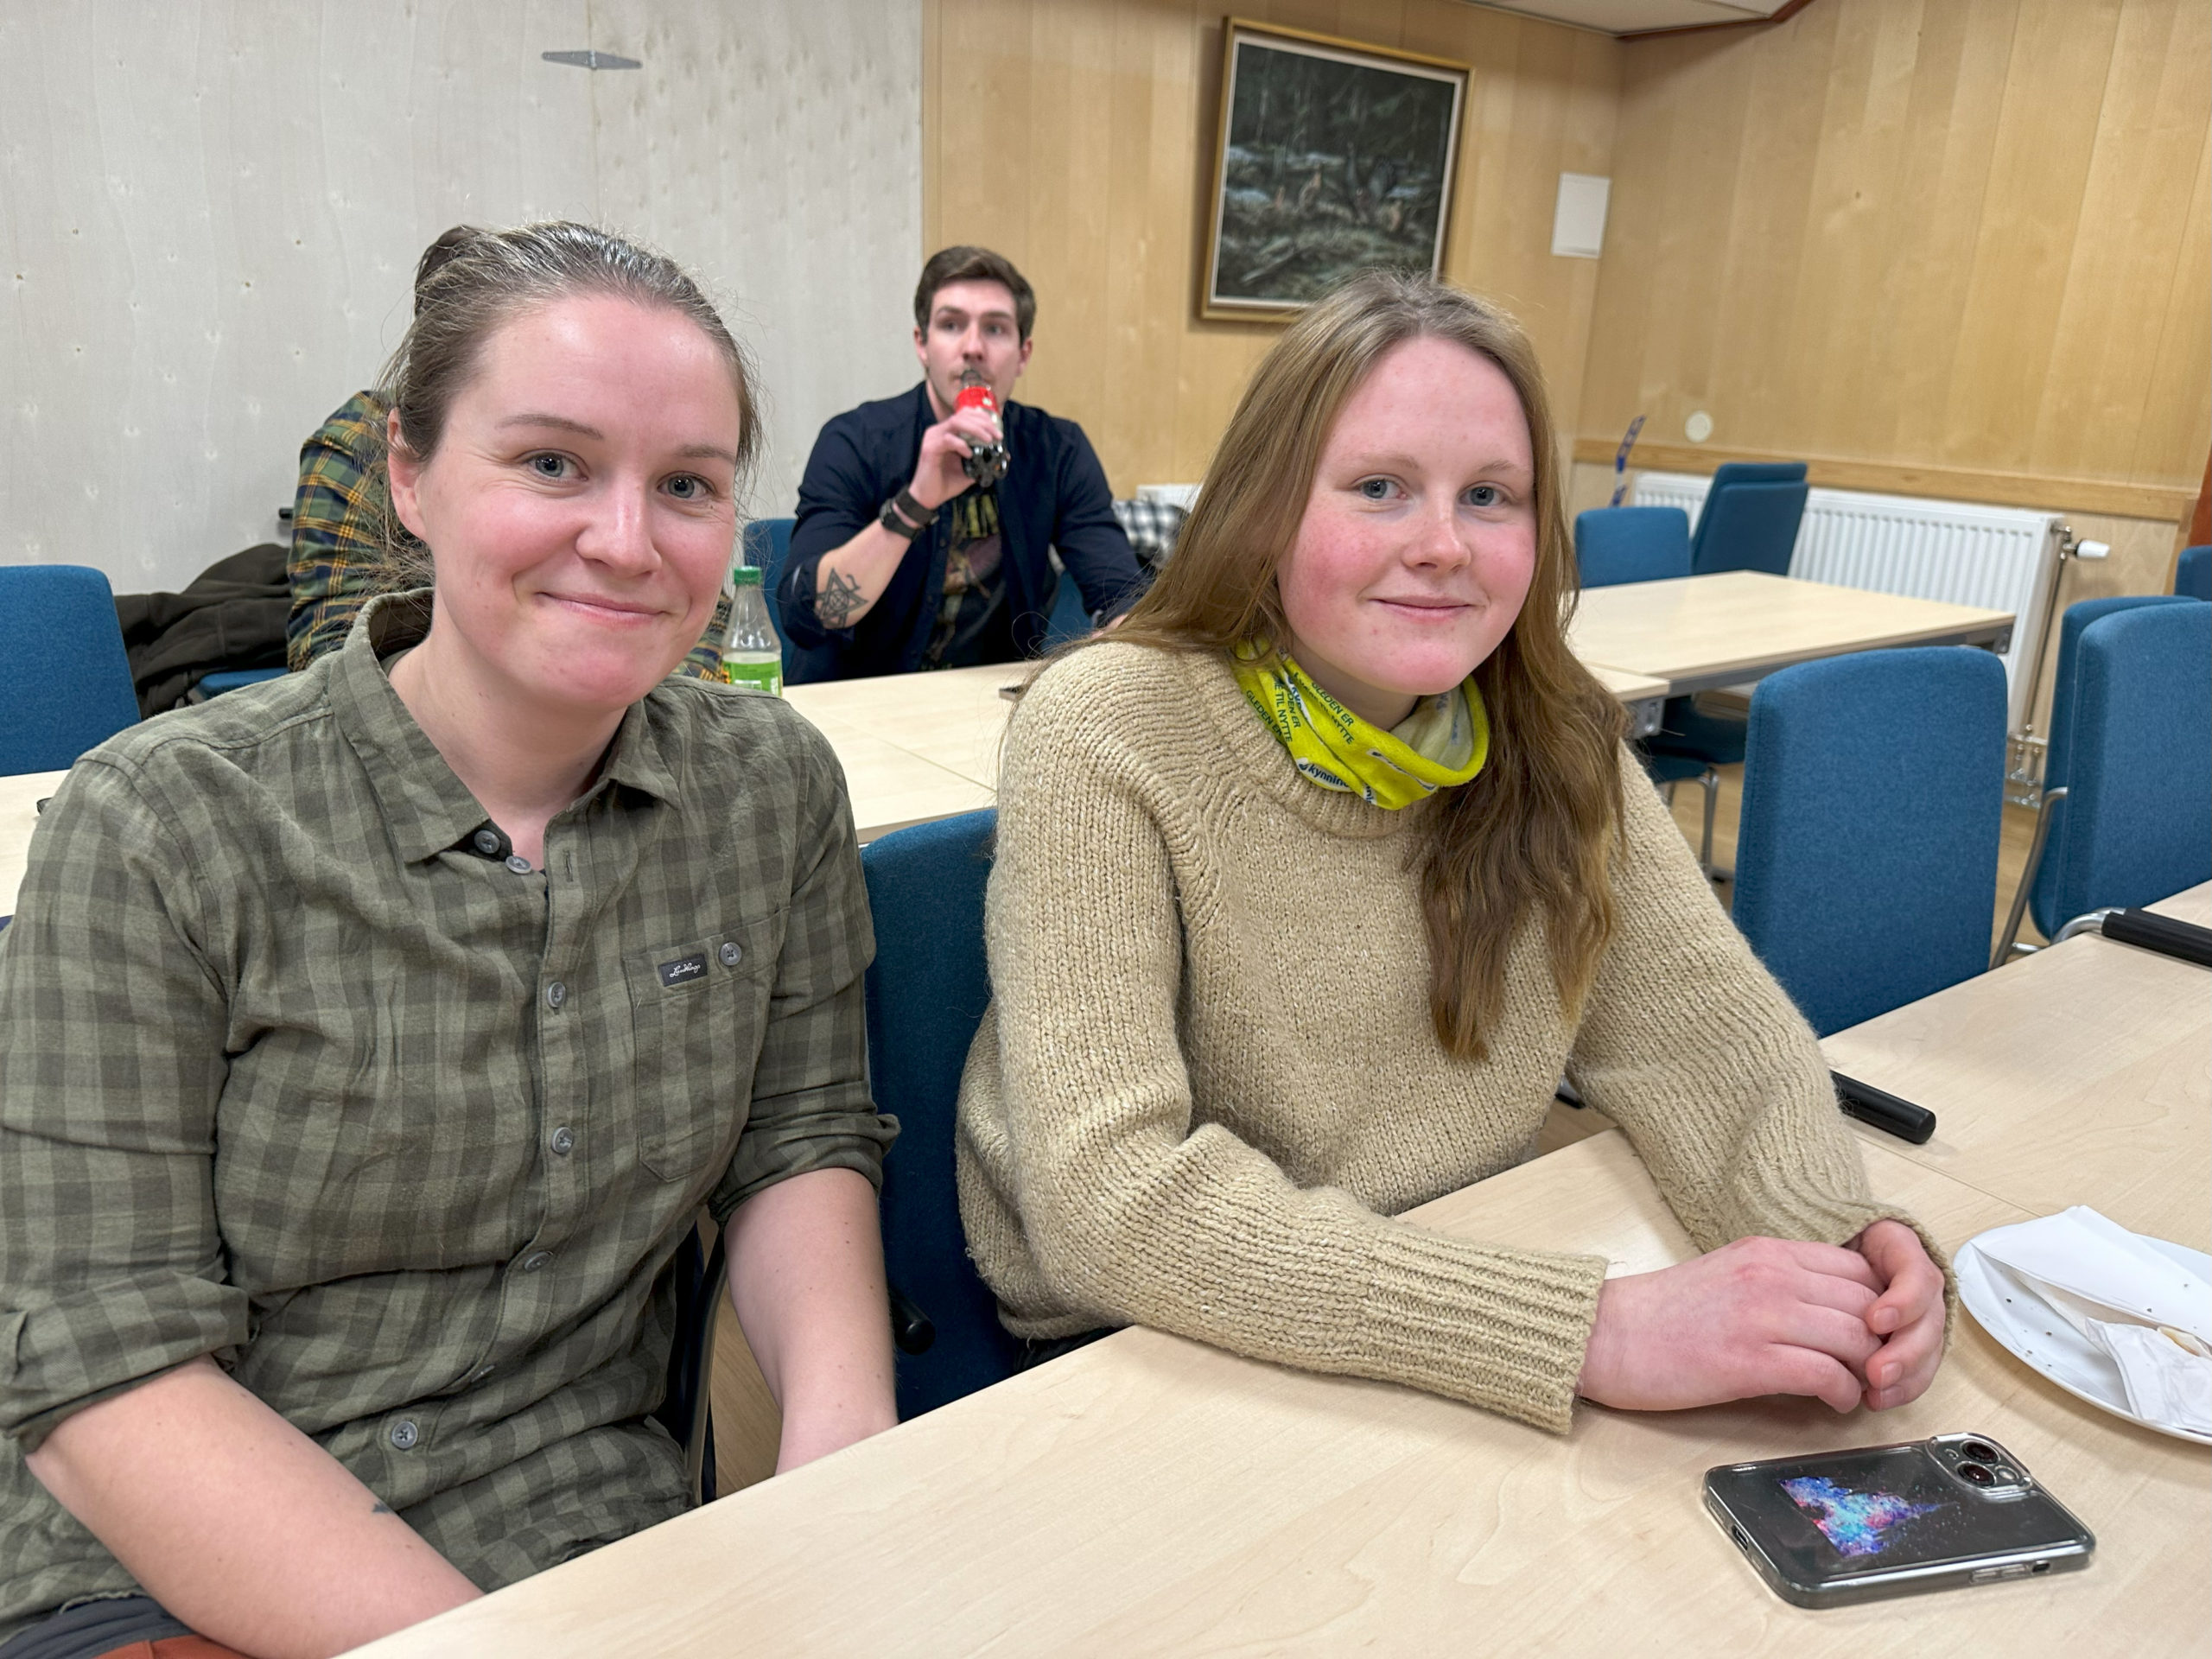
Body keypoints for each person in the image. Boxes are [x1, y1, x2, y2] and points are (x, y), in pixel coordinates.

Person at [0, 222, 899, 1659]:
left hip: (586, 1524)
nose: (622, 538)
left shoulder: (768, 791)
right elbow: (106, 1375)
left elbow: (799, 1142)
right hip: (175, 1560)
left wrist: (845, 1479)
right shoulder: (159, 825)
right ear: (411, 479)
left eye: (686, 486)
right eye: (552, 464)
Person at [955, 271, 1949, 1433]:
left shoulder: (1558, 736)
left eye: (1491, 496)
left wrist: (1836, 1228)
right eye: (1379, 488)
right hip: (1144, 1339)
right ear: (1267, 509)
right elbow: (1109, 1206)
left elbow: (1707, 1039)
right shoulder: (1109, 729)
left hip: (1441, 1282)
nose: (1442, 545)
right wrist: (1590, 1330)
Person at [283, 225, 728, 680]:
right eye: (549, 464)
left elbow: (706, 618)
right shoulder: (358, 439)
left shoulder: (769, 744)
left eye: (682, 484)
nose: (626, 548)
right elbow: (327, 642)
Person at [776, 245, 1147, 678]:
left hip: (985, 711)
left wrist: (1129, 636)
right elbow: (806, 615)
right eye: (951, 325)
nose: (973, 348)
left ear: (1023, 354)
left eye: (995, 329)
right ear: (923, 345)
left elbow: (1121, 592)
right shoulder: (855, 441)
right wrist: (916, 502)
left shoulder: (1057, 450)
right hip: (858, 703)